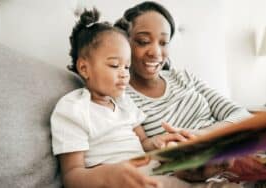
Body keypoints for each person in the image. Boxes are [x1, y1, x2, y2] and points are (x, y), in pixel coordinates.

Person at [50, 8, 195, 188]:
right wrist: (108, 176)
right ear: (84, 68)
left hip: (150, 173)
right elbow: (72, 176)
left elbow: (143, 142)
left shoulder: (124, 102)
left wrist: (157, 142)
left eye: (127, 67)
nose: (124, 74)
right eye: (115, 65)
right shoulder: (73, 108)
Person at [114, 0, 252, 185]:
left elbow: (241, 114)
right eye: (143, 41)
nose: (156, 52)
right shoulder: (120, 95)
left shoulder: (183, 77)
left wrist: (203, 136)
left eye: (163, 42)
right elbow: (140, 151)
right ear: (124, 42)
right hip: (196, 168)